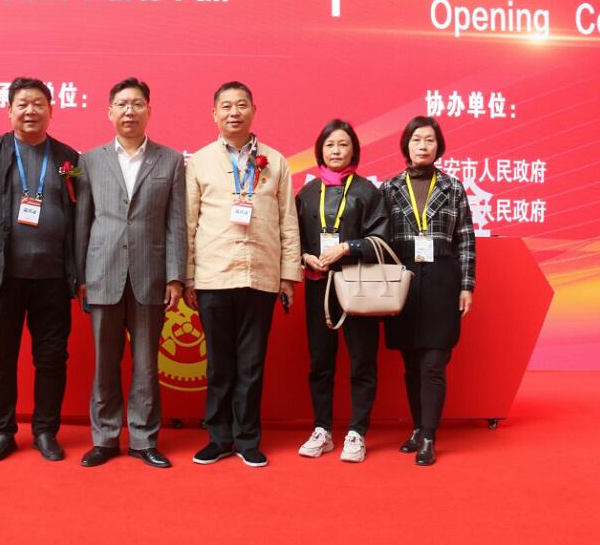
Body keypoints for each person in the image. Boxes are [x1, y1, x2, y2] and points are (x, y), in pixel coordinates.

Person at [0, 77, 80, 463]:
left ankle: (45, 431)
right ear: (9, 111)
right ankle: (2, 432)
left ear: (51, 111)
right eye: (22, 104)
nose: (30, 111)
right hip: (1, 277)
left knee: (52, 358)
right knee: (0, 358)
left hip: (54, 279)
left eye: (38, 104)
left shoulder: (68, 160)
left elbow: (81, 216)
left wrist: (80, 274)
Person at [184, 81, 301, 468]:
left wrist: (287, 275)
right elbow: (187, 223)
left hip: (261, 274)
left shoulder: (276, 161)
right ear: (214, 114)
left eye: (241, 105)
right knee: (219, 364)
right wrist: (188, 277)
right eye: (226, 106)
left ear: (253, 110)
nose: (234, 112)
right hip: (214, 275)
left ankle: (247, 438)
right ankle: (219, 438)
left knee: (251, 364)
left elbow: (287, 222)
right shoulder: (199, 161)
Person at [75, 77, 187, 468]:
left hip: (150, 276)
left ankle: (143, 439)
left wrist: (175, 276)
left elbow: (176, 223)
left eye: (137, 104)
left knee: (145, 365)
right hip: (102, 273)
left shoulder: (170, 160)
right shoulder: (89, 161)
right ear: (109, 112)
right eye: (122, 104)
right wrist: (80, 277)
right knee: (104, 363)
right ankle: (104, 438)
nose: (129, 111)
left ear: (149, 111)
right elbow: (83, 221)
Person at [380, 116, 475, 466]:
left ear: (439, 146)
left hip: (441, 281)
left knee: (434, 362)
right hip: (403, 282)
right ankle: (418, 428)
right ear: (406, 145)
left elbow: (465, 239)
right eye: (417, 139)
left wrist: (467, 286)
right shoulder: (389, 188)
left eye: (430, 140)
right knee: (410, 363)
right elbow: (380, 239)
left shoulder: (453, 187)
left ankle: (430, 436)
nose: (423, 146)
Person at [295, 119, 389, 463]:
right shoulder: (307, 194)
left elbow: (382, 238)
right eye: (330, 145)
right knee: (320, 361)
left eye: (343, 145)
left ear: (354, 151)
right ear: (320, 151)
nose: (336, 151)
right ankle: (322, 429)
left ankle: (357, 431)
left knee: (362, 360)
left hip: (358, 286)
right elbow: (292, 238)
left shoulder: (367, 191)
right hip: (319, 287)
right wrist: (304, 256)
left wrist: (348, 247)